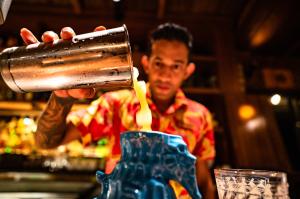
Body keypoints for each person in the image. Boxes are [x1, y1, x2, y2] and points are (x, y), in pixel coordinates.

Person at [20, 23, 216, 199]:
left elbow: (202, 179)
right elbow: (46, 142)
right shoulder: (115, 105)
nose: (165, 75)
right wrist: (62, 97)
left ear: (188, 71)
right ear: (146, 63)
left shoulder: (200, 115)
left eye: (176, 66)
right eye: (158, 63)